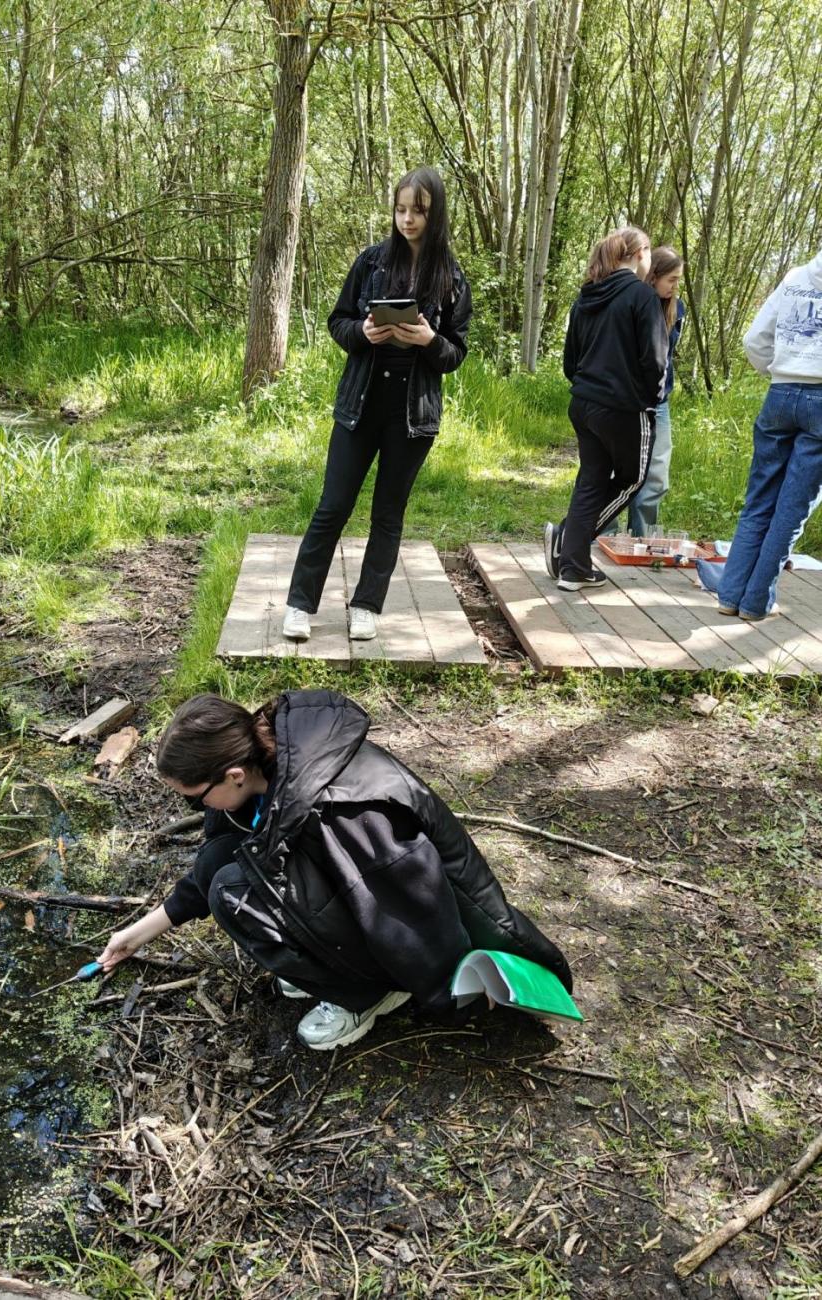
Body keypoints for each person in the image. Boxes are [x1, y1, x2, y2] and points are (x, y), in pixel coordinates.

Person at [97, 690, 572, 1051]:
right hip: (348, 889)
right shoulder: (257, 776)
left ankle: (366, 998)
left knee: (232, 893)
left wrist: (441, 993)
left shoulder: (340, 811)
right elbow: (212, 864)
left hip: (402, 915)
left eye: (192, 797)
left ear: (233, 775)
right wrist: (137, 934)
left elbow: (413, 908)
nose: (192, 806)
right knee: (220, 862)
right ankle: (331, 967)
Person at [282, 167, 471, 643]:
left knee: (389, 513)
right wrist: (362, 334)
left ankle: (367, 605)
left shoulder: (450, 276)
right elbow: (338, 322)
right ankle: (300, 606)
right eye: (401, 209)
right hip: (359, 408)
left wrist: (429, 339)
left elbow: (455, 354)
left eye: (418, 211)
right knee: (333, 505)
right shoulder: (370, 262)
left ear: (435, 214)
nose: (407, 219)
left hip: (412, 418)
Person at [695, 248, 822, 621]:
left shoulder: (797, 276)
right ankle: (754, 604)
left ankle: (729, 596)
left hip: (780, 394)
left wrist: (780, 373)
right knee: (791, 509)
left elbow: (753, 340)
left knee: (759, 500)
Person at [544, 226, 669, 590]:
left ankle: (574, 568)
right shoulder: (641, 297)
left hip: (583, 404)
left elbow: (571, 360)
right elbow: (655, 360)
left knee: (592, 479)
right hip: (624, 409)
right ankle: (570, 542)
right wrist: (650, 399)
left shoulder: (586, 296)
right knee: (633, 479)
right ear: (640, 253)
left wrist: (589, 386)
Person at [608, 247, 685, 536]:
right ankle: (605, 536)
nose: (675, 286)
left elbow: (666, 357)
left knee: (656, 477)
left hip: (659, 403)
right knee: (615, 471)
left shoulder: (678, 310)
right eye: (671, 279)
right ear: (653, 276)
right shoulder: (630, 303)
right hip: (625, 400)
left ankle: (642, 539)